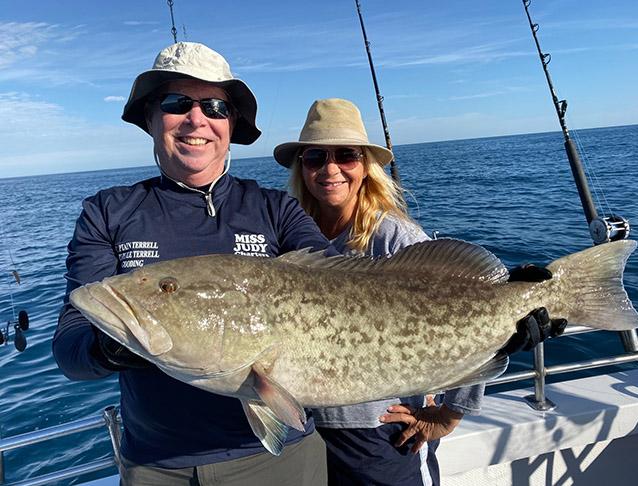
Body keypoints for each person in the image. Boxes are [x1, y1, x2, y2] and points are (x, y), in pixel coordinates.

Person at [52, 42, 331, 486]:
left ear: (231, 123)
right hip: (156, 466)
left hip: (280, 463)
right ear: (150, 118)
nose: (196, 119)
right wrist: (110, 347)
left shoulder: (277, 209)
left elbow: (342, 286)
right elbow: (70, 349)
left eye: (215, 106)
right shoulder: (107, 212)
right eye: (176, 103)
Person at [273, 98, 567, 486]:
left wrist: (449, 414)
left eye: (346, 155)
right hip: (305, 428)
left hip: (377, 433)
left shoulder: (395, 236)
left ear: (365, 167)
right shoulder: (287, 238)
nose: (330, 169)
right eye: (314, 157)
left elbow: (470, 314)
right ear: (301, 168)